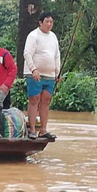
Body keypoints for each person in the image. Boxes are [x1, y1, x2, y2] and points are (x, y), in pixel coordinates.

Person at [24, 11, 61, 139]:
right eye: (47, 21)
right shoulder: (33, 36)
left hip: (50, 75)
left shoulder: (53, 37)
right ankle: (32, 129)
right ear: (40, 23)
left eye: (51, 22)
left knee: (46, 101)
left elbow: (57, 55)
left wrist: (58, 72)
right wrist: (33, 69)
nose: (49, 24)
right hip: (34, 74)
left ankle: (43, 130)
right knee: (34, 100)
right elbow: (27, 53)